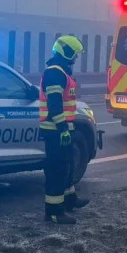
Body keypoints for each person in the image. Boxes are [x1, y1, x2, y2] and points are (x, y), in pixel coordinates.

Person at [40, 34, 90, 224]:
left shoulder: (61, 71)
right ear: (66, 52)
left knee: (67, 165)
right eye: (74, 55)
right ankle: (54, 212)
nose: (76, 59)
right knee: (57, 170)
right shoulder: (55, 73)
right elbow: (54, 105)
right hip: (55, 130)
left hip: (62, 128)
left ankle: (69, 200)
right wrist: (62, 128)